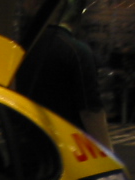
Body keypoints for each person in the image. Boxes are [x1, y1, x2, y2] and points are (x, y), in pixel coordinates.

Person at [15, 0, 113, 150]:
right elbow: (90, 112)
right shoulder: (76, 51)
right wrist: (107, 152)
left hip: (27, 143)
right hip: (68, 147)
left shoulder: (20, 49)